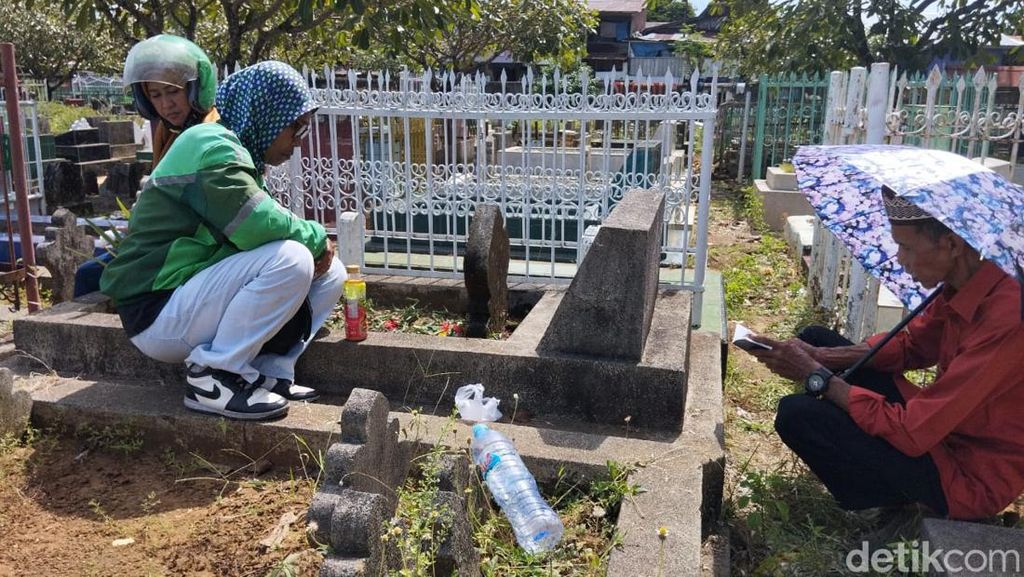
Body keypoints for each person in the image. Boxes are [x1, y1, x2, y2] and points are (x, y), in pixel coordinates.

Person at [747, 187, 1024, 521]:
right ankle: (892, 485)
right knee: (815, 337)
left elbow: (913, 431)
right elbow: (914, 347)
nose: (900, 259)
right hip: (939, 433)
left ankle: (900, 504)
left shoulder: (1008, 320)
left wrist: (818, 377)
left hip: (965, 473)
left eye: (905, 246)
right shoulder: (962, 283)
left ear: (951, 244)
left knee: (797, 415)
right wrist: (821, 356)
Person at [100, 61, 344, 420]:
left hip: (186, 297)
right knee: (293, 258)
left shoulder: (235, 150)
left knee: (331, 273)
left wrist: (316, 245)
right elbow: (256, 224)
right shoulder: (210, 143)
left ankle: (267, 372)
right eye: (296, 127)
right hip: (157, 309)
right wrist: (316, 237)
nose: (297, 141)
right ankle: (213, 376)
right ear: (267, 113)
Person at [74, 35, 221, 298]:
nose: (167, 104)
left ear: (196, 88)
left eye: (174, 91)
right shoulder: (168, 130)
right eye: (156, 95)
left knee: (89, 278)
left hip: (185, 245)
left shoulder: (208, 133)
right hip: (159, 238)